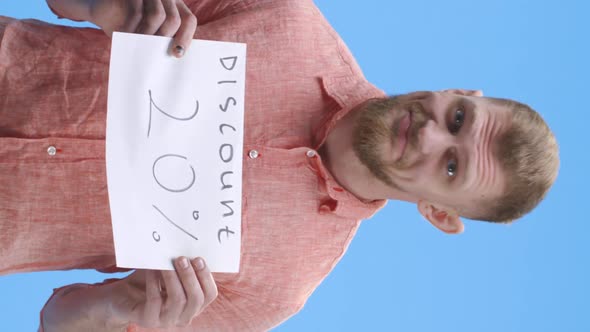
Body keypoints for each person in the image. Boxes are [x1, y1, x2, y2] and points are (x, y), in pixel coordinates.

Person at [0, 0, 559, 331]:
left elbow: (59, 324)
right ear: (460, 90)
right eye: (458, 117)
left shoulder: (278, 290)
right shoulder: (286, 18)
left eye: (452, 167)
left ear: (440, 214)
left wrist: (119, 305)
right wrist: (113, 6)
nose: (431, 132)